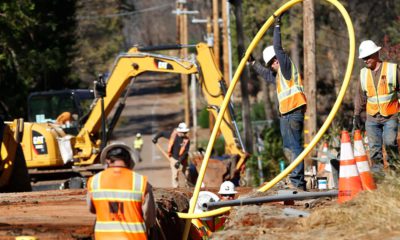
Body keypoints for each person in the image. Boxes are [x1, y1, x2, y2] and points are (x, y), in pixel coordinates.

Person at [248, 14, 307, 190]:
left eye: (272, 62)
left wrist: (277, 26)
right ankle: (295, 180)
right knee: (288, 147)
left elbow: (278, 48)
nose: (271, 66)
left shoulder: (286, 67)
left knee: (295, 147)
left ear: (276, 59)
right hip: (285, 115)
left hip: (294, 112)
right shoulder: (279, 75)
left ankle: (297, 183)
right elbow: (267, 76)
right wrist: (252, 63)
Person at [86, 142, 156, 240]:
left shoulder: (94, 181)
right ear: (129, 161)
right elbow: (150, 218)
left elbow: (92, 209)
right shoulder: (141, 182)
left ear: (107, 161)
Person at [353, 40, 400, 173]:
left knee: (390, 144)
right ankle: (378, 177)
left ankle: (394, 173)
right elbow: (360, 96)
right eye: (363, 58)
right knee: (374, 149)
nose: (365, 60)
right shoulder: (363, 74)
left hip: (390, 116)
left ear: (376, 54)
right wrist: (356, 114)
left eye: (367, 57)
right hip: (372, 118)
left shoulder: (392, 69)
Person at [152, 122, 191, 188]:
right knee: (175, 175)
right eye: (183, 132)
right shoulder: (173, 135)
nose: (184, 134)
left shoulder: (187, 140)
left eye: (185, 132)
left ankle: (189, 187)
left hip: (183, 160)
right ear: (179, 131)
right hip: (174, 158)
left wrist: (179, 161)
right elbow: (162, 133)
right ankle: (176, 188)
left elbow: (185, 152)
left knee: (187, 174)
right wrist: (156, 138)